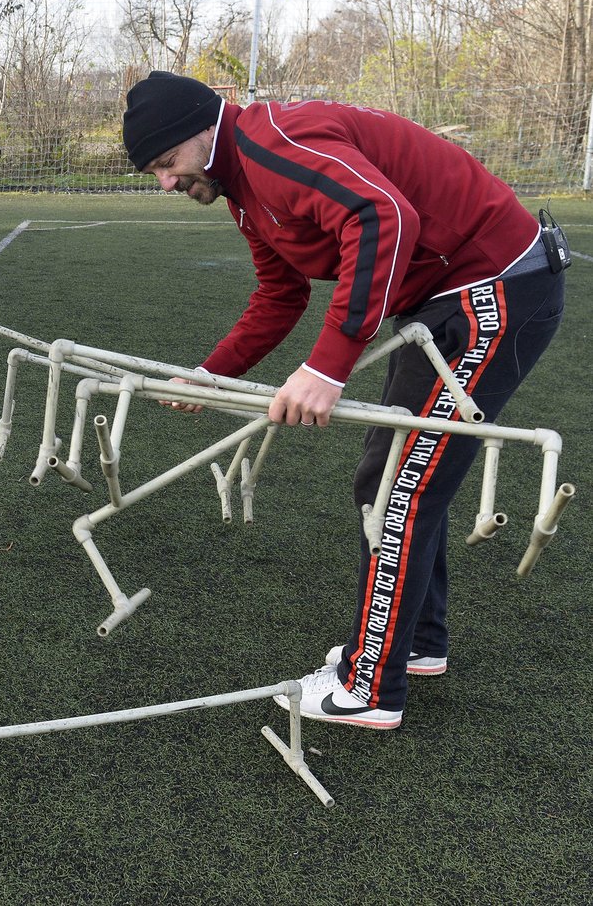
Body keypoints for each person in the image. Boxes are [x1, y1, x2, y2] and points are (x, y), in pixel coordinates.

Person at [122, 70, 566, 729]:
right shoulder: (245, 189)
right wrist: (208, 374)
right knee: (388, 477)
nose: (167, 182)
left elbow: (384, 215)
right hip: (442, 305)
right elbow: (281, 294)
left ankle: (369, 689)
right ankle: (417, 644)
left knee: (399, 489)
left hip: (493, 292)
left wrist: (329, 368)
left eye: (167, 163)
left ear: (202, 133)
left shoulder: (274, 144)